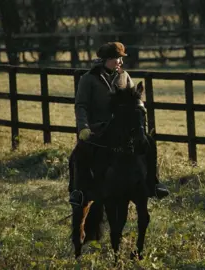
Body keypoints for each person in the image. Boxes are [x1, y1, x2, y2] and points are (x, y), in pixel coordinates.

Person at [69, 41, 169, 205]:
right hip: (98, 128)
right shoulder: (88, 79)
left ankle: (153, 183)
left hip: (122, 129)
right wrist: (84, 127)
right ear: (106, 60)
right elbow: (81, 106)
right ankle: (78, 191)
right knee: (78, 154)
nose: (120, 62)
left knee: (149, 143)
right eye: (117, 59)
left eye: (121, 59)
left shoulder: (124, 76)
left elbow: (133, 100)